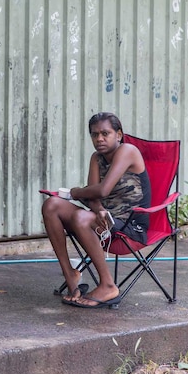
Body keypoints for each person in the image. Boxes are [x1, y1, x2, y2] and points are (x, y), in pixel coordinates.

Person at [42, 112, 150, 308]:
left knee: (82, 218)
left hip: (131, 223)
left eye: (105, 133)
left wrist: (75, 192)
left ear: (118, 134)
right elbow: (94, 198)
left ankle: (108, 285)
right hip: (104, 218)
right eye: (94, 134)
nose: (99, 139)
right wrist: (99, 208)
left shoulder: (128, 150)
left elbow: (102, 189)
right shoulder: (96, 157)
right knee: (52, 205)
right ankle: (71, 276)